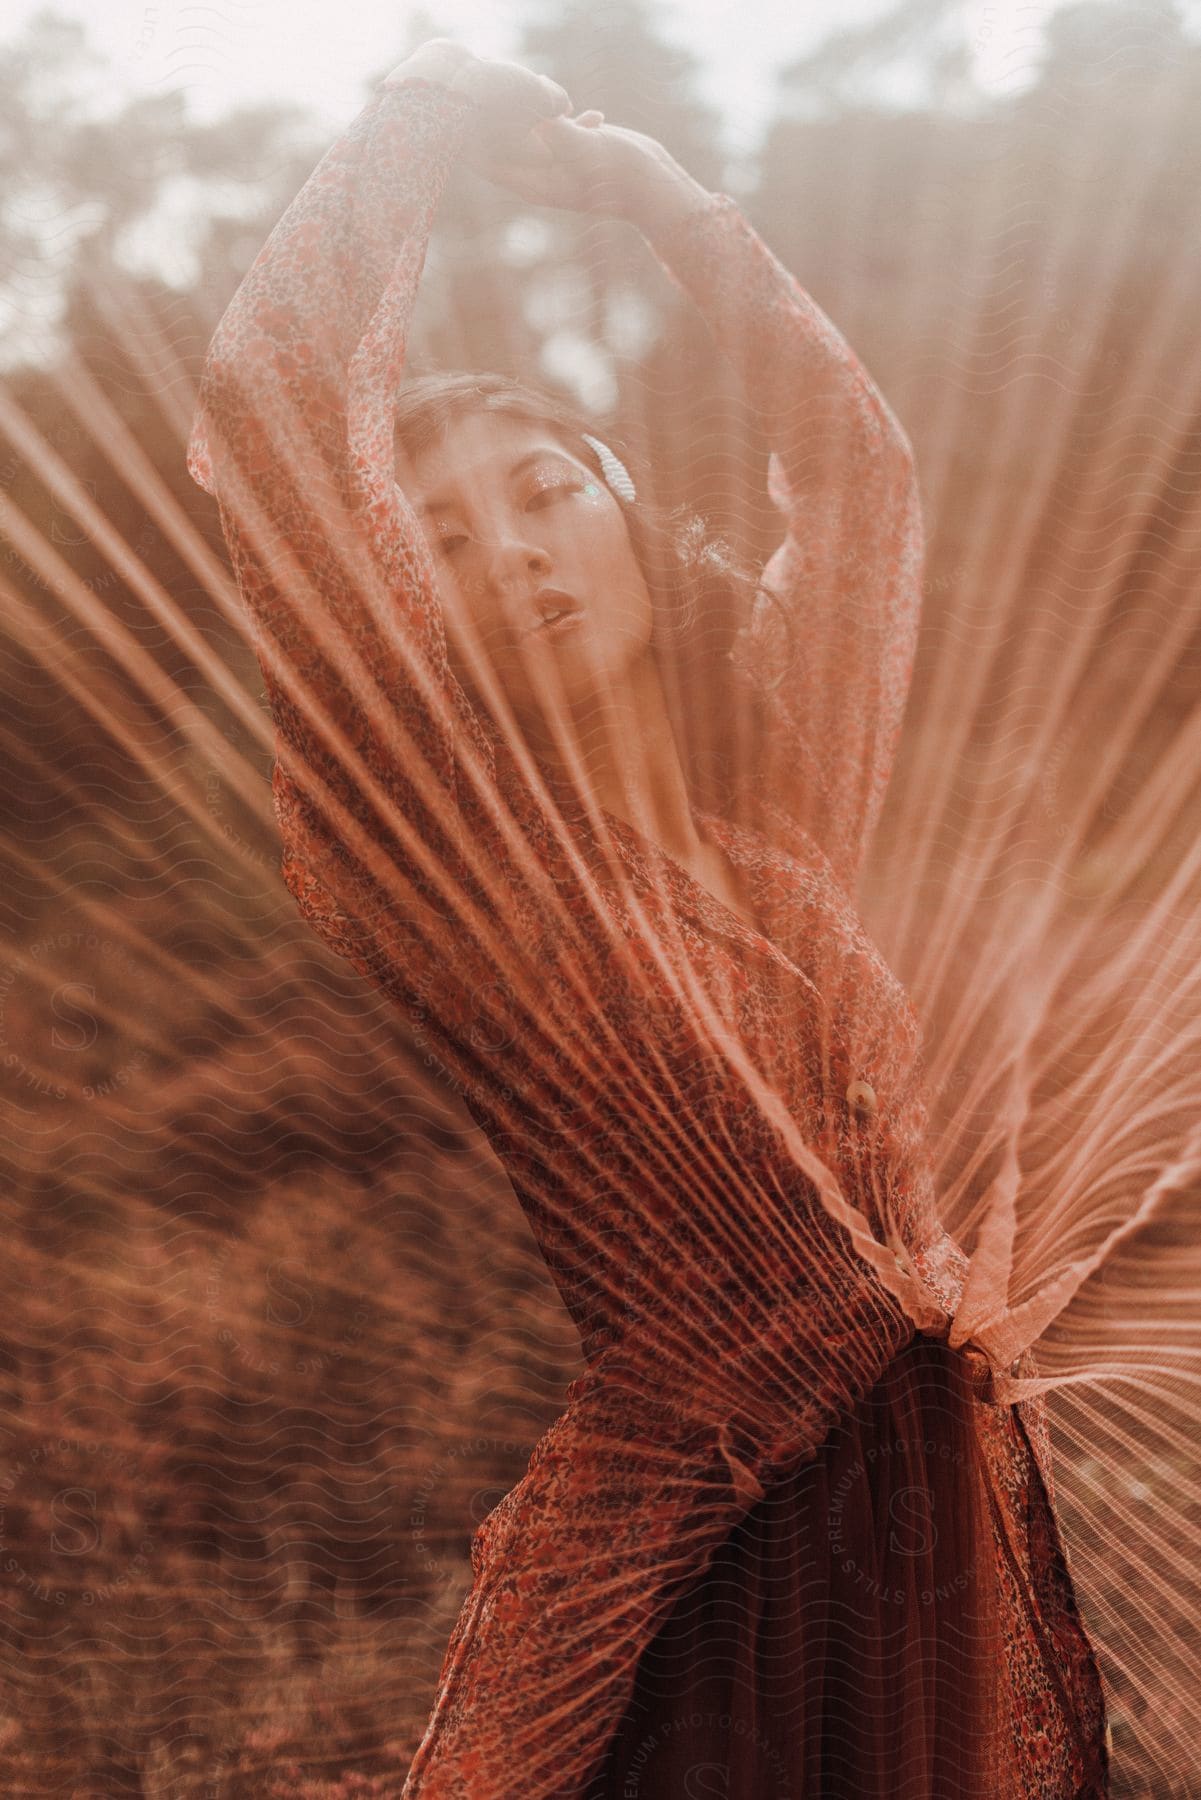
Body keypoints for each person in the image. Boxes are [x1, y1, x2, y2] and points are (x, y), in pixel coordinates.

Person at [186, 36, 1110, 1797]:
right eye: (440, 538)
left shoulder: (775, 815)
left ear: (627, 518)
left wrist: (674, 209)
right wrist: (429, 107)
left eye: (544, 497)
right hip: (706, 1529)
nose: (513, 553)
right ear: (405, 608)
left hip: (919, 1496)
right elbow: (275, 399)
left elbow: (854, 478)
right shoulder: (452, 852)